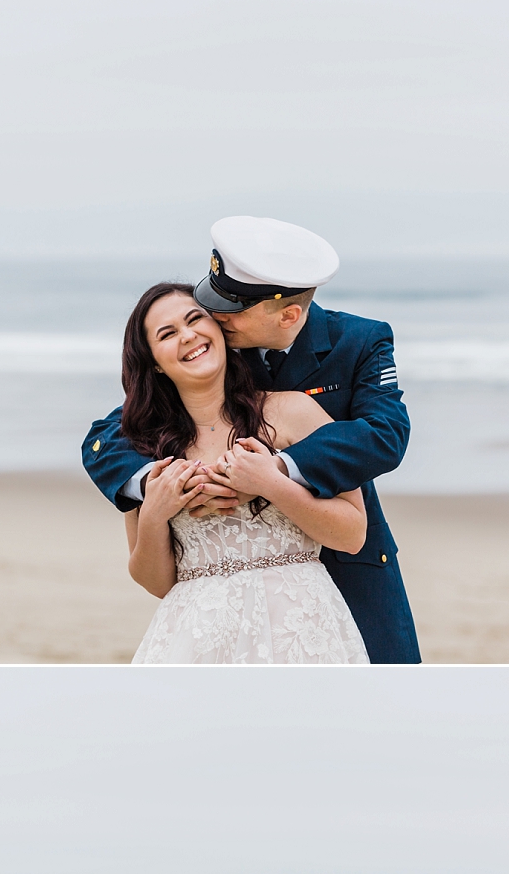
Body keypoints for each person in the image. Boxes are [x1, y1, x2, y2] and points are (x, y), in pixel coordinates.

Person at [84, 216, 421, 663]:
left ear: (288, 315)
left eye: (228, 310)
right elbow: (114, 432)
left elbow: (385, 435)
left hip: (339, 580)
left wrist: (274, 472)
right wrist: (156, 489)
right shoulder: (209, 353)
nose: (215, 319)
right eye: (212, 306)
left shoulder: (356, 343)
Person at [117, 280, 371, 663]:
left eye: (195, 319)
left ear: (219, 328)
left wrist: (272, 483)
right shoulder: (144, 448)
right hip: (195, 640)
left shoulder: (293, 413)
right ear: (153, 360)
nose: (188, 336)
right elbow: (156, 583)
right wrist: (154, 512)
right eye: (167, 334)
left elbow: (353, 534)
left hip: (301, 632)